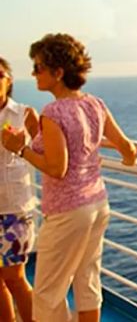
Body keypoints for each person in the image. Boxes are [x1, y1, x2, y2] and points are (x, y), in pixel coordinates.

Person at [1, 33, 137, 322]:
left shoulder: (54, 111)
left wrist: (21, 148)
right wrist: (127, 158)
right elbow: (128, 149)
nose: (33, 73)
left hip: (67, 212)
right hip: (98, 204)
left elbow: (56, 168)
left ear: (58, 72)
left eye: (38, 67)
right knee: (87, 278)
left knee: (48, 292)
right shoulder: (95, 104)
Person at [0, 57, 39, 322]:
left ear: (9, 79)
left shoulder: (25, 114)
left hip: (14, 208)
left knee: (15, 278)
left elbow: (49, 155)